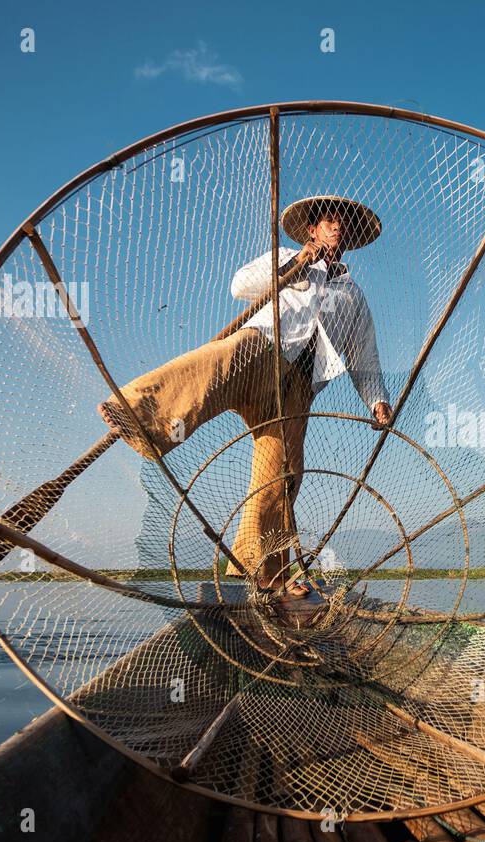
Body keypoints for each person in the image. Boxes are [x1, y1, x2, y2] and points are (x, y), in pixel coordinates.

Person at [97, 195, 392, 596]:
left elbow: (365, 358)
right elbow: (240, 285)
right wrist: (294, 266)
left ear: (352, 238)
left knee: (282, 473)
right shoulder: (286, 256)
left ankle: (262, 573)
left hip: (299, 389)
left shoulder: (353, 295)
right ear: (313, 230)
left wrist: (376, 402)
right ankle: (140, 413)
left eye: (344, 225)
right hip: (263, 347)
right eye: (328, 221)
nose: (337, 228)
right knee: (214, 363)